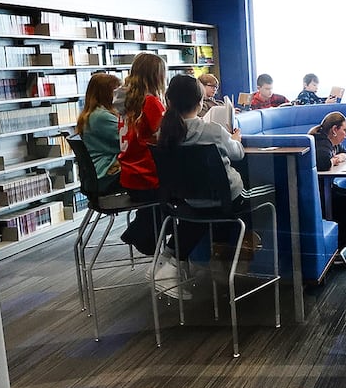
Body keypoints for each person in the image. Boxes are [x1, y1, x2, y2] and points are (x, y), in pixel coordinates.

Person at [154, 73, 248, 276]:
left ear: (168, 101)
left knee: (201, 212)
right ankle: (223, 257)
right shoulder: (213, 130)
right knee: (261, 195)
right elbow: (237, 154)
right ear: (200, 101)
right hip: (227, 200)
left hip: (190, 200)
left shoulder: (164, 134)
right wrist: (235, 138)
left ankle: (172, 258)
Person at [116, 52, 167, 253]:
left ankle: (144, 228)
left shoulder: (127, 102)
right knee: (190, 193)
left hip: (129, 176)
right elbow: (166, 137)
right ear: (157, 76)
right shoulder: (151, 102)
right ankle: (146, 235)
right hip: (148, 178)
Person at [310, 111, 346, 243]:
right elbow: (323, 163)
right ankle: (344, 245)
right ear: (334, 130)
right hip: (318, 193)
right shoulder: (321, 142)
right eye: (344, 130)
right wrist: (334, 161)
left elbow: (344, 152)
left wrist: (339, 157)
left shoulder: (331, 141)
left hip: (324, 188)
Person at [75, 71, 123, 195]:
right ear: (107, 94)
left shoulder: (92, 114)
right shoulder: (101, 117)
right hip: (106, 174)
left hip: (97, 175)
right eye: (116, 92)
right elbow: (126, 140)